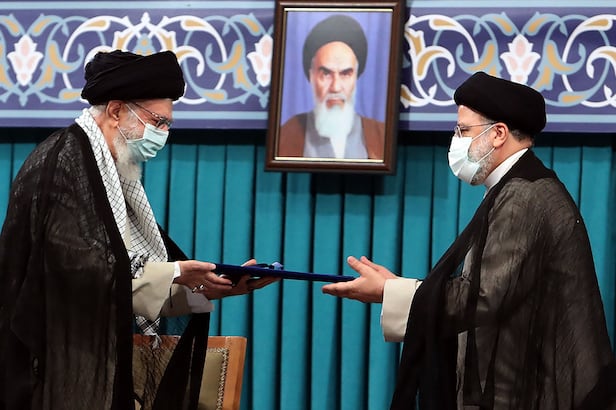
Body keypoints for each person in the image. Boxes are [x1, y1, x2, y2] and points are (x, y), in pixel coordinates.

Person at [0, 50, 277, 410]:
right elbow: (83, 272)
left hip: (98, 364)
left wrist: (203, 287)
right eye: (157, 121)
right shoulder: (64, 163)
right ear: (116, 111)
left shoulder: (111, 171)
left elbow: (128, 278)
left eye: (167, 125)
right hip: (54, 373)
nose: (162, 134)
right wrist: (176, 273)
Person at [323, 72, 616, 409]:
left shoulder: (524, 197)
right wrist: (400, 288)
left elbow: (483, 297)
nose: (456, 141)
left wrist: (391, 292)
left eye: (463, 131)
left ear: (498, 134)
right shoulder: (519, 187)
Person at [278, 14, 384, 159]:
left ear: (356, 77)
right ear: (311, 76)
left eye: (345, 74)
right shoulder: (287, 135)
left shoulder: (380, 135)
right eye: (326, 74)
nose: (335, 87)